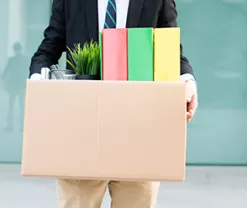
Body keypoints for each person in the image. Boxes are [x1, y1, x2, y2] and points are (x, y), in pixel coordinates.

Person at [29, 0, 198, 207]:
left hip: (138, 132)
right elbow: (48, 48)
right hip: (82, 132)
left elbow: (170, 49)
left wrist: (187, 80)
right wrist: (38, 83)